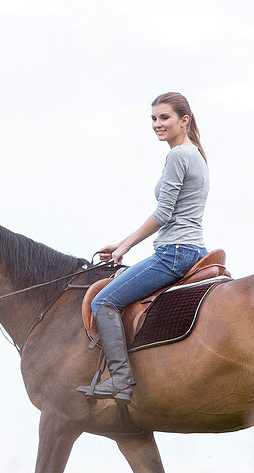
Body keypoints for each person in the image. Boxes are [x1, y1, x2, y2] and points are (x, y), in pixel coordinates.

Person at [78, 92, 210, 403]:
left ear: (184, 120)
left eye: (164, 117)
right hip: (194, 249)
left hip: (174, 252)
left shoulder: (178, 155)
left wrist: (124, 246)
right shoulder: (196, 154)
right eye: (153, 118)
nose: (157, 124)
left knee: (103, 301)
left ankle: (121, 380)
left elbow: (164, 214)